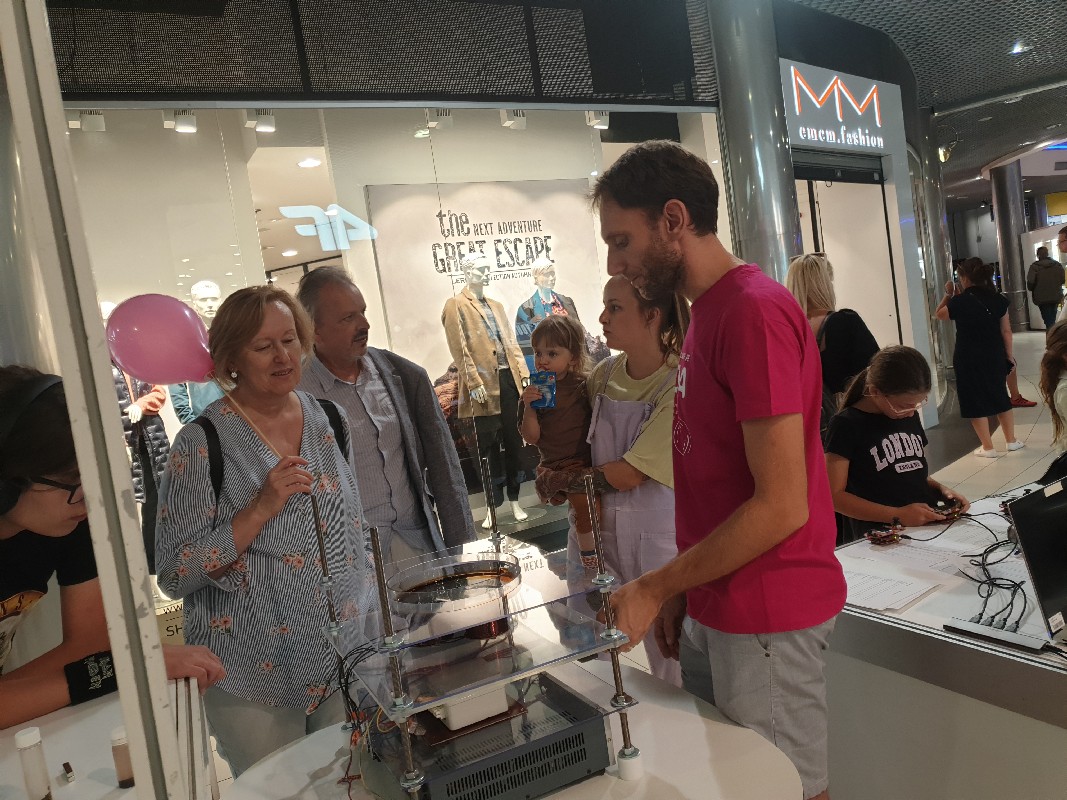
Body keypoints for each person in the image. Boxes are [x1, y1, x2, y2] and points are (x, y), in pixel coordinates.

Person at [593, 141, 845, 800]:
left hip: (766, 611)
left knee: (785, 790)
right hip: (722, 602)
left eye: (622, 241)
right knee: (741, 787)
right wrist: (684, 586)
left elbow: (781, 504)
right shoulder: (707, 311)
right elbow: (716, 476)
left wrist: (655, 585)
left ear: (673, 220)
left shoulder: (751, 310)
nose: (615, 263)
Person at [155, 286, 373, 776]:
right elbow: (173, 573)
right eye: (263, 346)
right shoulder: (201, 443)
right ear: (231, 359)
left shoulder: (329, 418)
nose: (283, 356)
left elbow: (353, 528)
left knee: (352, 784)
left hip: (341, 658)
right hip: (252, 676)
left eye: (289, 340)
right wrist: (259, 508)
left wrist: (368, 617)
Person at [0, 365, 224, 730]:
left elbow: (87, 644)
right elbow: (94, 663)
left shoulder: (70, 518)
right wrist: (118, 670)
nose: (88, 499)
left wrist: (111, 668)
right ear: (7, 482)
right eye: (73, 480)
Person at [295, 267, 476, 563]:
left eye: (363, 312)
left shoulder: (404, 376)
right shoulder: (295, 395)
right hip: (349, 560)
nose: (364, 324)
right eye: (348, 318)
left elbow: (446, 469)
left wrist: (462, 550)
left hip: (418, 544)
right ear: (313, 329)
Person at [572, 275, 687, 687]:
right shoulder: (603, 375)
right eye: (605, 306)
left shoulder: (677, 380)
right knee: (589, 650)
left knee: (668, 655)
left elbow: (628, 474)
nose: (602, 318)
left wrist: (569, 482)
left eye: (615, 308)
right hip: (596, 532)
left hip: (656, 538)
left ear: (652, 315)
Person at [825, 346, 970, 544]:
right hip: (879, 537)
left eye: (917, 404)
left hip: (924, 528)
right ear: (875, 392)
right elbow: (834, 496)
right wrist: (897, 515)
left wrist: (941, 490)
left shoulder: (908, 416)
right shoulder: (846, 424)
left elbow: (910, 472)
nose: (911, 412)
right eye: (903, 406)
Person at [441, 254, 530, 527]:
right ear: (468, 272)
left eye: (487, 268)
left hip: (508, 381)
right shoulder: (456, 305)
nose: (486, 273)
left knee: (515, 443)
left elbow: (511, 343)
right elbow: (459, 348)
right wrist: (474, 382)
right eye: (481, 269)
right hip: (483, 385)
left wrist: (524, 374)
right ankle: (492, 505)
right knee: (487, 448)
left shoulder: (497, 306)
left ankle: (515, 498)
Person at [518, 316, 598, 568]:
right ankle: (590, 558)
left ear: (573, 357)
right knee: (585, 505)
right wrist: (529, 407)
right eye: (537, 353)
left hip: (588, 458)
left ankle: (591, 549)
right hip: (557, 464)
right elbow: (531, 437)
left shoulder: (585, 385)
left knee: (591, 508)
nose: (542, 359)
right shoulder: (533, 393)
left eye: (552, 353)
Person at [935, 257, 1025, 458]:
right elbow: (1006, 331)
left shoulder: (959, 302)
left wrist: (948, 294)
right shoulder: (999, 299)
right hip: (994, 354)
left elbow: (939, 314)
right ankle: (1011, 441)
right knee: (999, 394)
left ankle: (988, 447)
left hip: (967, 356)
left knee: (973, 398)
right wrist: (1008, 356)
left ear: (964, 278)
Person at [785, 253, 879, 395]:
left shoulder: (785, 327)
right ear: (825, 285)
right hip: (843, 407)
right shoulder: (846, 322)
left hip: (800, 408)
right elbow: (879, 372)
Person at [1026, 246, 1065, 332]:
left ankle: (1051, 337)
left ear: (1038, 255)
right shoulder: (1057, 265)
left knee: (1048, 321)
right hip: (1055, 296)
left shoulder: (1034, 267)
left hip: (1042, 298)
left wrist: (1032, 288)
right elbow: (1062, 280)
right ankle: (1052, 336)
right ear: (1047, 254)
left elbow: (1030, 283)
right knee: (1052, 319)